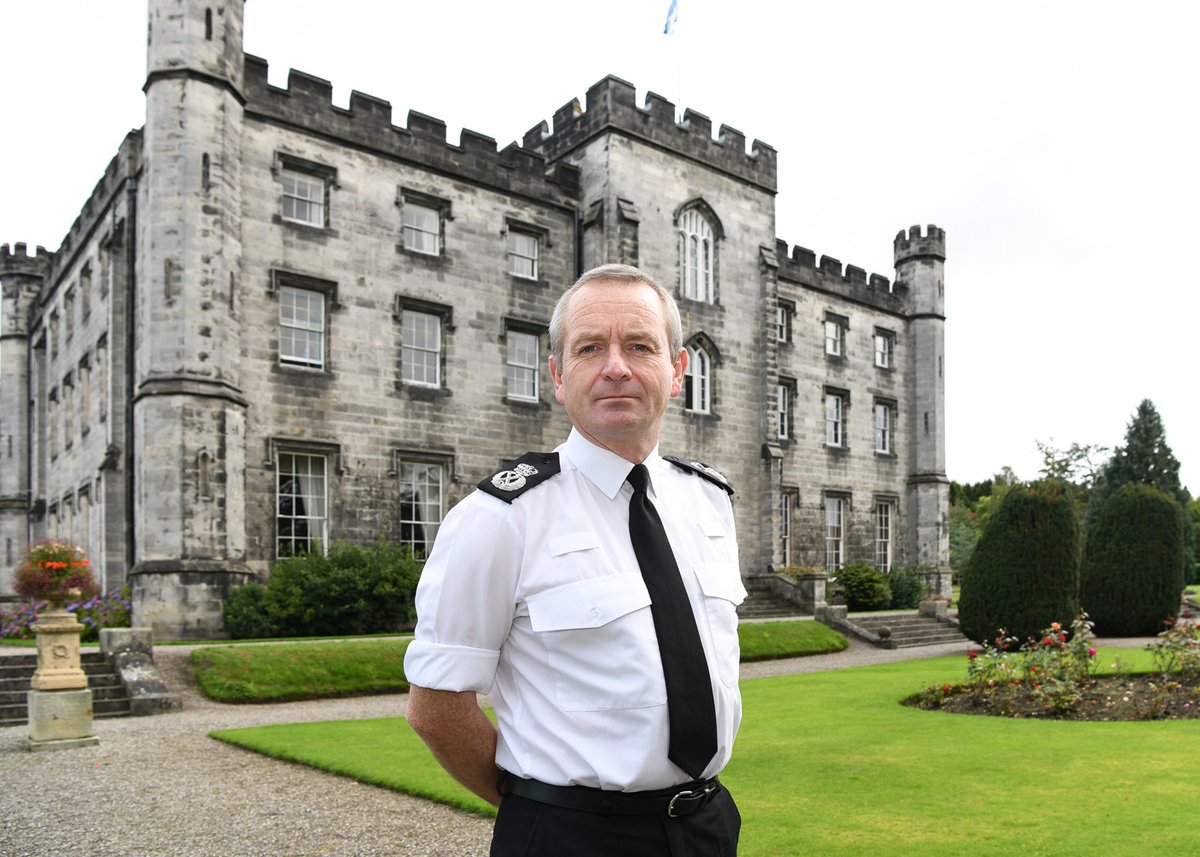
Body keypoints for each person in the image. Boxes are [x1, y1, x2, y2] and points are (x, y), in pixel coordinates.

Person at [403, 264, 745, 856]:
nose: (617, 366)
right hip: (569, 834)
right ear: (560, 377)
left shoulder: (708, 499)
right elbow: (436, 707)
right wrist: (538, 810)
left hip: (707, 825)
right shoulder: (501, 517)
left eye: (640, 345)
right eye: (590, 349)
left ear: (678, 370)